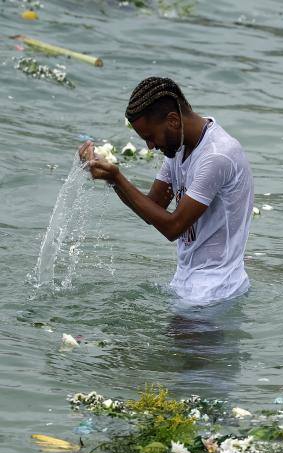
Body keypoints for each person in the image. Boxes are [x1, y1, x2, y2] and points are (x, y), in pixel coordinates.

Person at [78, 77, 254, 304]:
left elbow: (173, 227)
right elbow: (154, 206)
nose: (150, 146)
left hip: (216, 288)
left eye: (150, 137)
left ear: (172, 120)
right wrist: (110, 178)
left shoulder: (216, 156)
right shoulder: (179, 147)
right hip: (190, 282)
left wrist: (118, 178)